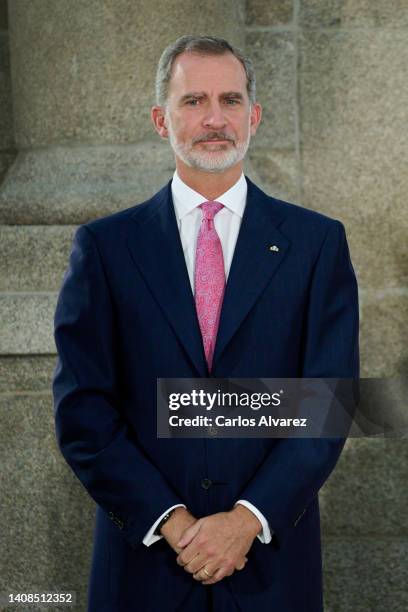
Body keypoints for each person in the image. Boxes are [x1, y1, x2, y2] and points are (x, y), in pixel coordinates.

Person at [52, 35, 359, 612]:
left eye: (230, 100)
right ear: (161, 121)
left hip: (269, 565)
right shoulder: (105, 248)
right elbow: (82, 407)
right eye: (193, 101)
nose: (214, 118)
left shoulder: (317, 244)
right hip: (145, 565)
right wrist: (171, 523)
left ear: (255, 115)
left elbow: (329, 401)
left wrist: (246, 521)